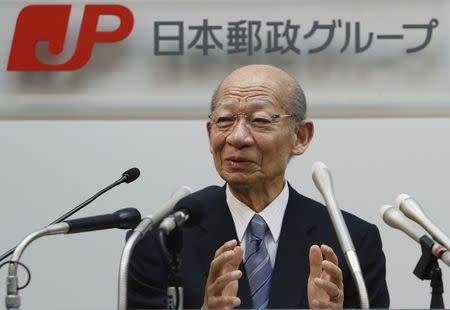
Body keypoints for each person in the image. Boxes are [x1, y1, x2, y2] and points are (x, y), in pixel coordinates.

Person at [127, 64, 389, 309]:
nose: (237, 137)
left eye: (260, 121)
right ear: (210, 134)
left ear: (300, 136)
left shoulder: (352, 243)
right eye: (225, 120)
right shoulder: (160, 240)